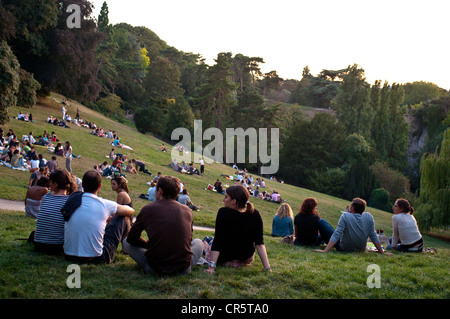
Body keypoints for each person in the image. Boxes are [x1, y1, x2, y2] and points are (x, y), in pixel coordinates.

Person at [123, 175, 203, 275]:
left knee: (126, 241)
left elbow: (131, 238)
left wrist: (149, 245)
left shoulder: (148, 209)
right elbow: (189, 241)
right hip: (183, 268)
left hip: (154, 268)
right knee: (198, 242)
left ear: (160, 191)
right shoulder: (188, 211)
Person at [63, 170, 135, 264]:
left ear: (83, 185)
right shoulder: (104, 204)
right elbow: (130, 211)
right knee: (121, 217)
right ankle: (125, 248)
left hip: (69, 255)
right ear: (99, 186)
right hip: (95, 258)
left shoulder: (72, 199)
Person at [206, 185, 271, 274]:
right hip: (245, 256)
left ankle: (207, 247)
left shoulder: (223, 212)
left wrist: (211, 267)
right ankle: (238, 262)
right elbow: (259, 244)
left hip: (225, 256)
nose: (223, 200)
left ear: (233, 201)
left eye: (226, 197)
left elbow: (218, 241)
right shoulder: (254, 214)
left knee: (208, 245)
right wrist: (267, 268)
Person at [316, 198, 391, 255]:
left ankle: (320, 240)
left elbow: (337, 234)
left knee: (323, 223)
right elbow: (373, 235)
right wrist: (382, 252)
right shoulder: (369, 217)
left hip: (344, 248)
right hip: (360, 249)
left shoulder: (345, 216)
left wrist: (325, 251)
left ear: (352, 208)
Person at [30, 170, 77, 254]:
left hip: (39, 244)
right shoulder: (70, 200)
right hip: (58, 246)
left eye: (50, 183)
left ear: (55, 184)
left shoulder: (46, 197)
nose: (49, 185)